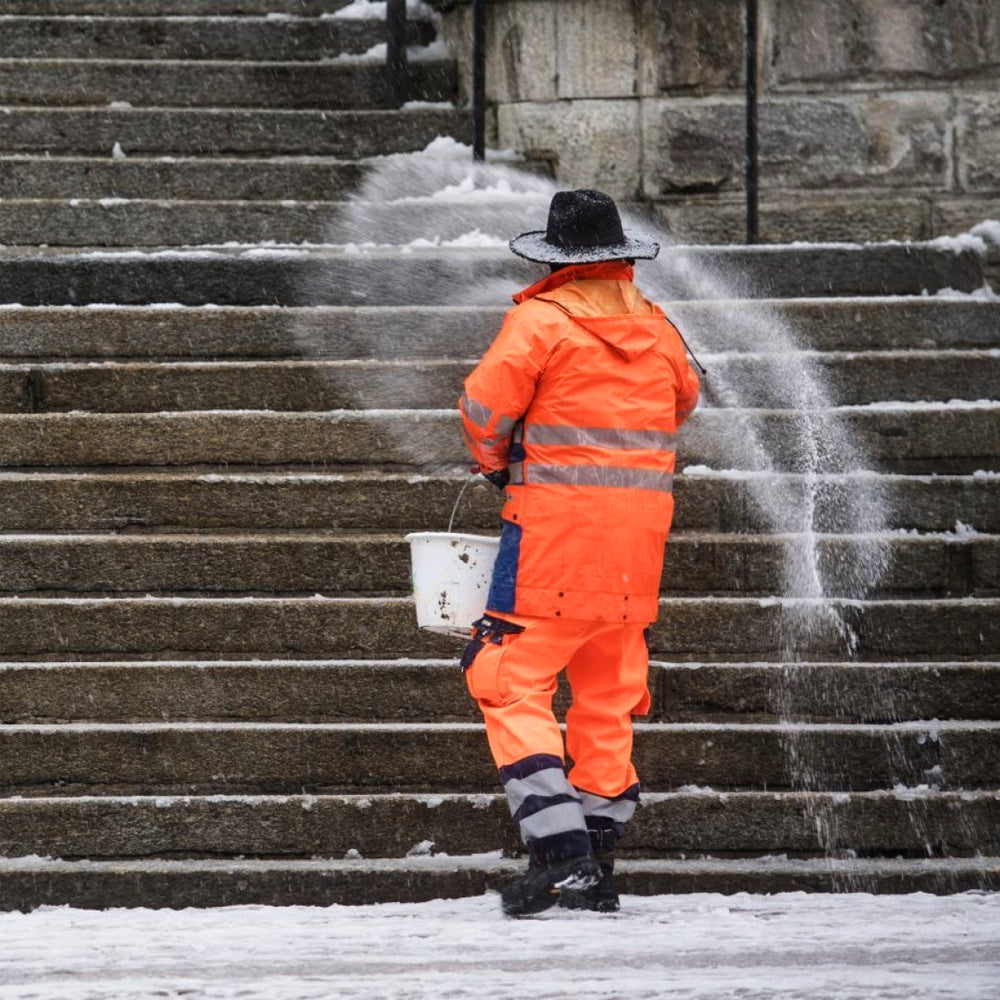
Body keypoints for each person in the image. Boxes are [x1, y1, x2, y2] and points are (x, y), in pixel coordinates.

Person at [458, 188, 700, 917]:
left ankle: (561, 855)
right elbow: (683, 400)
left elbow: (484, 407)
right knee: (607, 694)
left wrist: (495, 460)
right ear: (620, 257)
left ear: (557, 261)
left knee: (504, 676)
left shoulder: (539, 322)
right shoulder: (657, 327)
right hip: (637, 545)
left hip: (553, 539)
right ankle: (598, 858)